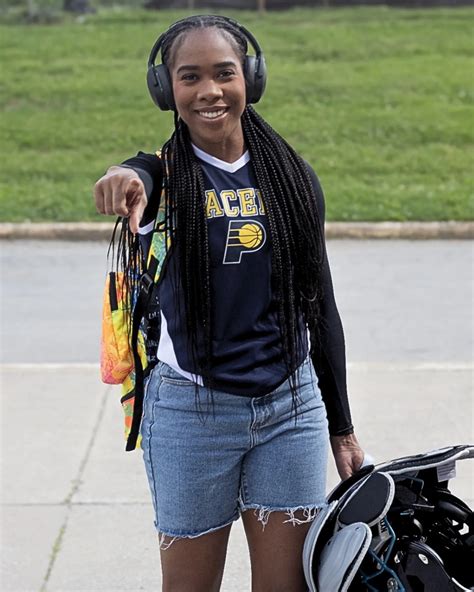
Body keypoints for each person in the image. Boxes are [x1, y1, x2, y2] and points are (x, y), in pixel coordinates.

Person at [94, 14, 364, 592]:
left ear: (251, 78)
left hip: (290, 410)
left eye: (224, 73)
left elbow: (320, 305)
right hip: (192, 414)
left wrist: (341, 427)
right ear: (165, 88)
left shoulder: (291, 178)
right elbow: (137, 172)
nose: (209, 91)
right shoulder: (160, 181)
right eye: (189, 77)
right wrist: (124, 175)